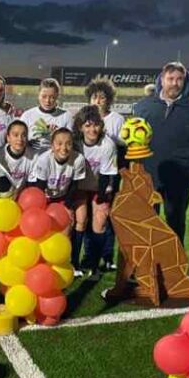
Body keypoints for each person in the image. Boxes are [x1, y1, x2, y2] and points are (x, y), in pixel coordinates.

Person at [133, 61, 189, 245]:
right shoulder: (144, 106)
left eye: (179, 79)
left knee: (175, 222)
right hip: (149, 173)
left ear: (185, 82)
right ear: (162, 80)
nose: (175, 83)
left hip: (180, 175)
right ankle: (147, 267)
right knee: (146, 221)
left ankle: (174, 269)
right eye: (170, 79)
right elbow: (133, 141)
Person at [33, 128, 86, 276]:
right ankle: (41, 261)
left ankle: (67, 262)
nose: (64, 148)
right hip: (46, 197)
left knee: (67, 228)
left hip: (64, 196)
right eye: (59, 143)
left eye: (68, 144)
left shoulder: (78, 159)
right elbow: (39, 188)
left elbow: (74, 185)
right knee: (42, 230)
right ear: (52, 145)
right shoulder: (44, 160)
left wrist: (68, 207)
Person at [86, 77, 125, 272]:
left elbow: (123, 146)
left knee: (107, 216)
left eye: (102, 98)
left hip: (109, 174)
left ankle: (108, 257)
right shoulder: (84, 117)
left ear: (108, 100)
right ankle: (89, 255)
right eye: (94, 97)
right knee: (86, 219)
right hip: (88, 176)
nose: (98, 101)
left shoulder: (117, 119)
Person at [73, 105, 117, 276]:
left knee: (99, 220)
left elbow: (106, 175)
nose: (92, 129)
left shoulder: (107, 145)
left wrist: (99, 200)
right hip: (80, 187)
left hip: (100, 186)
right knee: (80, 219)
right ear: (80, 127)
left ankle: (93, 262)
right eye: (88, 125)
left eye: (96, 124)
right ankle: (75, 262)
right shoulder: (75, 143)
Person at [21, 78, 72, 153]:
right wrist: (26, 143)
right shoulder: (27, 115)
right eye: (44, 96)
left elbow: (71, 142)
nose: (47, 101)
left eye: (52, 97)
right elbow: (17, 138)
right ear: (38, 95)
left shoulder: (66, 116)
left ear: (57, 96)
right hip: (32, 160)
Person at [0, 119, 36, 194]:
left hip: (22, 196)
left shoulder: (33, 156)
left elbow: (31, 185)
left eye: (24, 135)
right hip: (1, 196)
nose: (20, 139)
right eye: (15, 135)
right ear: (8, 138)